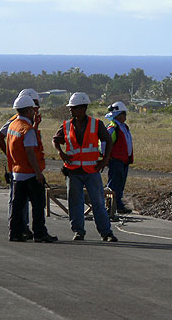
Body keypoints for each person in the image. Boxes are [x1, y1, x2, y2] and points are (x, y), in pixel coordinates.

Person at [52, 92, 118, 242]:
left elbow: (108, 140)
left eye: (74, 107)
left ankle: (106, 232)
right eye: (71, 108)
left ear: (83, 108)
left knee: (98, 202)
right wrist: (60, 153)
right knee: (75, 203)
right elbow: (55, 140)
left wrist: (105, 160)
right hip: (73, 171)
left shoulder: (96, 124)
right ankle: (78, 231)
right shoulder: (66, 125)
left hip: (91, 171)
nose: (71, 110)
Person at [7, 95, 57, 243]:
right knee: (38, 205)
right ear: (29, 110)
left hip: (17, 172)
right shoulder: (27, 130)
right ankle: (39, 233)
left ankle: (15, 233)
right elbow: (30, 152)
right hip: (30, 174)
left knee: (17, 206)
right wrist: (38, 173)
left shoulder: (13, 126)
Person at [0, 88, 42, 240]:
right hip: (21, 168)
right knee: (18, 201)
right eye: (35, 105)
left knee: (20, 201)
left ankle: (21, 228)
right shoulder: (16, 121)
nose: (37, 108)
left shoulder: (28, 121)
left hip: (22, 167)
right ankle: (21, 228)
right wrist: (12, 156)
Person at [103, 101, 134, 214]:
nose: (125, 116)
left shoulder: (124, 127)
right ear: (118, 115)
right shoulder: (113, 127)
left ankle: (117, 205)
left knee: (120, 183)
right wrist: (105, 157)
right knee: (114, 184)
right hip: (116, 160)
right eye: (124, 114)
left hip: (124, 160)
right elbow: (104, 142)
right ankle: (110, 206)